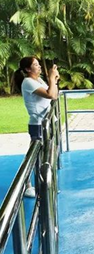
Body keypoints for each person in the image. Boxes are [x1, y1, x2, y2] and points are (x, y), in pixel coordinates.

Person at [12, 56, 60, 198]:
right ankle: (27, 185)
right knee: (34, 157)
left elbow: (54, 94)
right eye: (36, 65)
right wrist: (51, 78)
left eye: (38, 64)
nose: (39, 66)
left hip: (45, 123)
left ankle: (43, 186)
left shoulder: (38, 80)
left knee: (44, 156)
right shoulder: (28, 82)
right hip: (38, 124)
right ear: (28, 69)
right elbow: (51, 95)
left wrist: (54, 80)